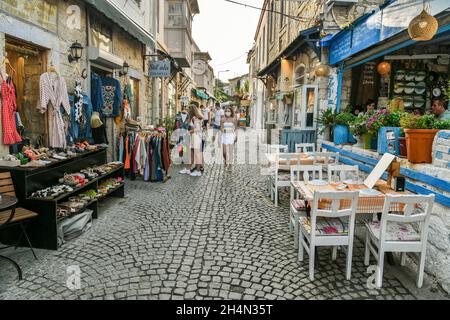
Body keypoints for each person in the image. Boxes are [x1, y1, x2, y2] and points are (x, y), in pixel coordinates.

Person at [175, 105, 192, 175]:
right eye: (184, 109)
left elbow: (190, 126)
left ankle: (184, 157)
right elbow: (175, 124)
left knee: (184, 147)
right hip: (179, 134)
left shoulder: (189, 117)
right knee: (180, 146)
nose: (185, 111)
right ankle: (180, 157)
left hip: (186, 134)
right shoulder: (178, 116)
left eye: (187, 110)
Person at [188, 104, 204, 177]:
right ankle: (198, 168)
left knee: (197, 154)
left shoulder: (195, 118)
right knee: (196, 153)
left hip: (196, 136)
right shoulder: (196, 117)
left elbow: (197, 128)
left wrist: (189, 132)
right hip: (196, 136)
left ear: (192, 110)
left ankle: (198, 171)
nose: (188, 110)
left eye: (189, 109)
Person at [221, 106, 237, 171]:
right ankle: (225, 160)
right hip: (224, 136)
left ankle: (230, 165)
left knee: (230, 151)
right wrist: (223, 130)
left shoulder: (233, 119)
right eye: (226, 111)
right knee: (224, 152)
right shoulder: (222, 119)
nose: (227, 112)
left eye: (229, 111)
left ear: (231, 112)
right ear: (225, 112)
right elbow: (221, 127)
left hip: (231, 136)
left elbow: (235, 128)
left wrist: (236, 136)